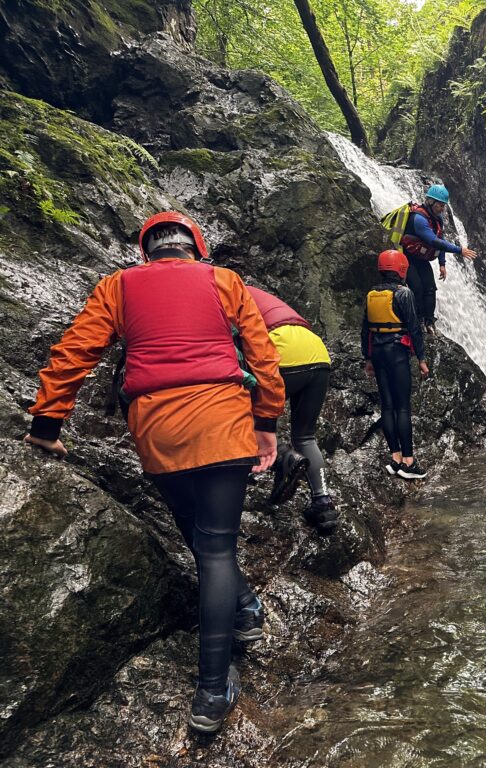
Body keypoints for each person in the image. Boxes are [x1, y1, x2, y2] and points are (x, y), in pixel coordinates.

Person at [23, 211, 285, 734]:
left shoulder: (117, 286)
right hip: (223, 421)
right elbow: (262, 355)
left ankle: (246, 607)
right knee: (216, 548)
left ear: (147, 251)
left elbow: (75, 352)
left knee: (197, 531)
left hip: (158, 430)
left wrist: (47, 424)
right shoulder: (225, 280)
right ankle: (212, 691)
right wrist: (267, 422)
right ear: (196, 247)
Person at [246, 286, 338, 535]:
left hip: (280, 349)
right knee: (305, 435)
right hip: (316, 350)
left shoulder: (219, 294)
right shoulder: (247, 290)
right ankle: (323, 504)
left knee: (242, 416)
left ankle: (283, 458)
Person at [362, 250, 429, 479]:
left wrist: (368, 359)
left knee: (387, 406)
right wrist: (421, 359)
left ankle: (395, 457)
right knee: (403, 407)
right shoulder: (403, 293)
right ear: (401, 269)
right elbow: (414, 328)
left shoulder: (371, 294)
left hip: (378, 353)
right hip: (397, 352)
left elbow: (365, 330)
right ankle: (409, 463)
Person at [397, 184, 478, 334]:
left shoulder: (436, 219)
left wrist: (442, 264)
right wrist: (459, 250)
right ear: (430, 202)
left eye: (444, 205)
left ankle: (429, 321)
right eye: (440, 205)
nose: (442, 208)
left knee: (430, 288)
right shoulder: (418, 219)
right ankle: (417, 321)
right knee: (417, 288)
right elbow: (434, 241)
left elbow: (441, 239)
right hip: (407, 258)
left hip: (420, 259)